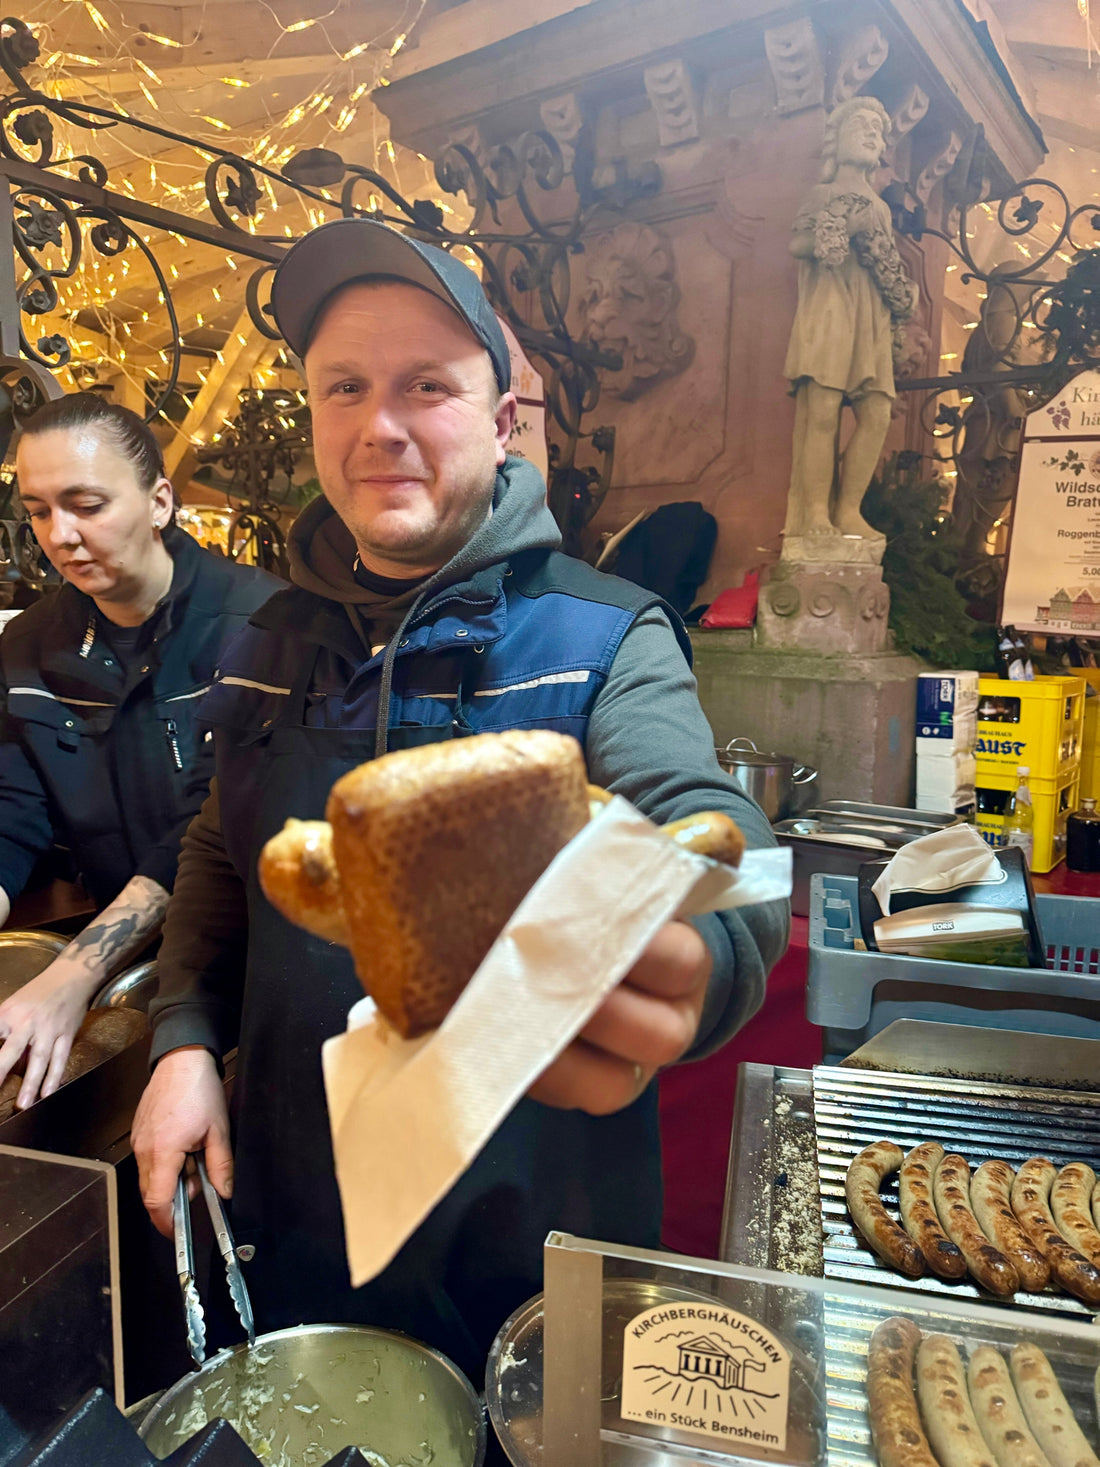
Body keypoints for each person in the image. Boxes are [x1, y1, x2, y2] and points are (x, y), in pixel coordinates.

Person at [132, 219, 789, 1379]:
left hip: (530, 1252)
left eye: (425, 386)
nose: (380, 426)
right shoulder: (260, 644)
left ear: (499, 422)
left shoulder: (603, 635)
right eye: (346, 387)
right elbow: (217, 860)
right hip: (301, 1218)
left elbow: (723, 845)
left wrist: (698, 946)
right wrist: (183, 1043)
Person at [0, 394, 280, 1109]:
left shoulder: (262, 627)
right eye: (38, 510)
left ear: (160, 501)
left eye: (86, 504)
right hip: (131, 967)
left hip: (251, 968)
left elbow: (203, 830)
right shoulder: (28, 648)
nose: (60, 534)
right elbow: (11, 813)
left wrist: (71, 977)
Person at [783, 95, 918, 545]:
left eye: (877, 132)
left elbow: (889, 265)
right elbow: (799, 245)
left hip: (870, 318)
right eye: (860, 126)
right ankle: (816, 513)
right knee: (822, 414)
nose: (870, 134)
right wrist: (841, 228)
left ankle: (848, 511)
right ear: (836, 142)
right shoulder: (822, 194)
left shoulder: (880, 207)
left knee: (877, 413)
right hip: (830, 312)